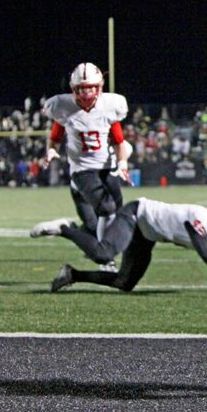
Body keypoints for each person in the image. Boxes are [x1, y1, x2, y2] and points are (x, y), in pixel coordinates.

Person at [32, 199, 207, 293]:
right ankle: (65, 228)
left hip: (147, 233)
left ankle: (72, 275)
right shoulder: (205, 221)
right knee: (104, 253)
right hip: (137, 214)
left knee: (125, 282)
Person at [32, 62, 132, 270]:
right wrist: (51, 151)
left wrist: (122, 163)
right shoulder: (64, 108)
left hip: (106, 167)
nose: (86, 93)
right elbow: (55, 138)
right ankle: (106, 259)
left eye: (90, 87)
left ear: (99, 87)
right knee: (106, 209)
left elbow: (119, 142)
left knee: (116, 214)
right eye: (82, 88)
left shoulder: (109, 108)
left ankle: (81, 236)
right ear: (73, 89)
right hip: (82, 169)